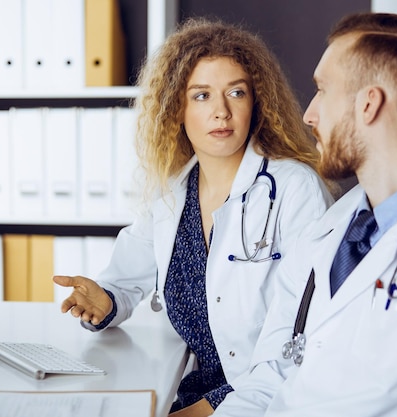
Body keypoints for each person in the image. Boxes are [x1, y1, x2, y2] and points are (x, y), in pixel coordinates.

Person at [212, 12, 397, 417]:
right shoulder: (328, 231)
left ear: (369, 103)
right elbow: (267, 380)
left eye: (322, 90)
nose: (309, 114)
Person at [53, 17, 334, 417]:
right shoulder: (172, 194)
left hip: (266, 399)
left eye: (236, 92)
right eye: (201, 95)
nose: (221, 111)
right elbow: (126, 278)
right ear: (176, 108)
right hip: (193, 390)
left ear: (256, 103)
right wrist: (105, 301)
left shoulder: (293, 189)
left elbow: (301, 342)